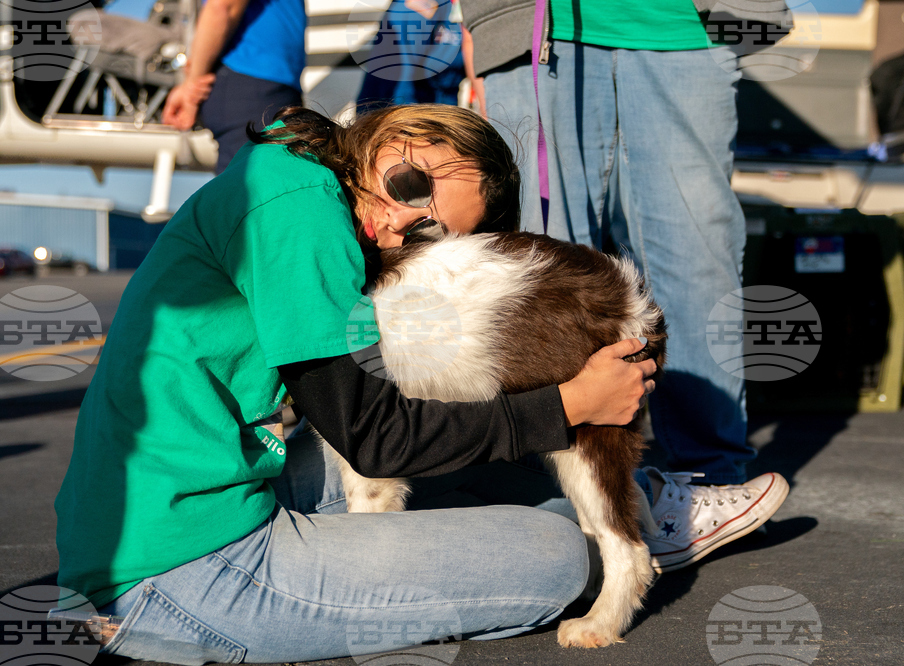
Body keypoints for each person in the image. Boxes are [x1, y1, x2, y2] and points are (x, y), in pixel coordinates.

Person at [55, 103, 661, 664]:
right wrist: (571, 404)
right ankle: (644, 531)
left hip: (168, 502)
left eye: (427, 233)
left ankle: (643, 515)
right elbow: (372, 440)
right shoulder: (299, 214)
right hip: (182, 569)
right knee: (554, 556)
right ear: (400, 135)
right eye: (411, 185)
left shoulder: (289, 172)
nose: (399, 221)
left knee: (507, 482)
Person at [458, 0, 790, 572]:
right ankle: (563, 496)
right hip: (536, 26)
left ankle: (702, 484)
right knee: (546, 272)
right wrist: (480, 31)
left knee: (696, 254)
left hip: (684, 24)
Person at [161, 0, 305, 174]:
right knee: (256, 192)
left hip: (263, 85)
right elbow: (222, 7)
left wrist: (190, 83)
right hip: (252, 84)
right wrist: (192, 86)